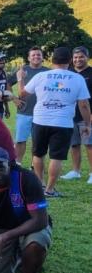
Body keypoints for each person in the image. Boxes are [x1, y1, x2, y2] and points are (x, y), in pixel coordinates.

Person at [18, 47, 91, 197]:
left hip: (40, 121)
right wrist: (88, 124)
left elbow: (22, 94)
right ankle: (49, 189)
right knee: (56, 157)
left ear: (51, 60)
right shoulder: (77, 78)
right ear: (70, 61)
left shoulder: (41, 76)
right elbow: (83, 104)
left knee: (38, 154)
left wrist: (20, 79)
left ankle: (40, 185)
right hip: (63, 123)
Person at [7, 47, 48, 164]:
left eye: (38, 55)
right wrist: (14, 99)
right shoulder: (22, 70)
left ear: (42, 57)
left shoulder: (48, 72)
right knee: (20, 141)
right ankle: (17, 164)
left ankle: (35, 165)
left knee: (38, 142)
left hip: (42, 114)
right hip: (24, 112)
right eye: (33, 55)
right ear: (29, 58)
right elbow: (8, 84)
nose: (36, 57)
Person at [61, 46, 92, 183]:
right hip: (70, 116)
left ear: (87, 57)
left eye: (81, 57)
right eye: (75, 57)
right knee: (74, 144)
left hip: (87, 116)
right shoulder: (68, 73)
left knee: (89, 144)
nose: (78, 59)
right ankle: (75, 171)